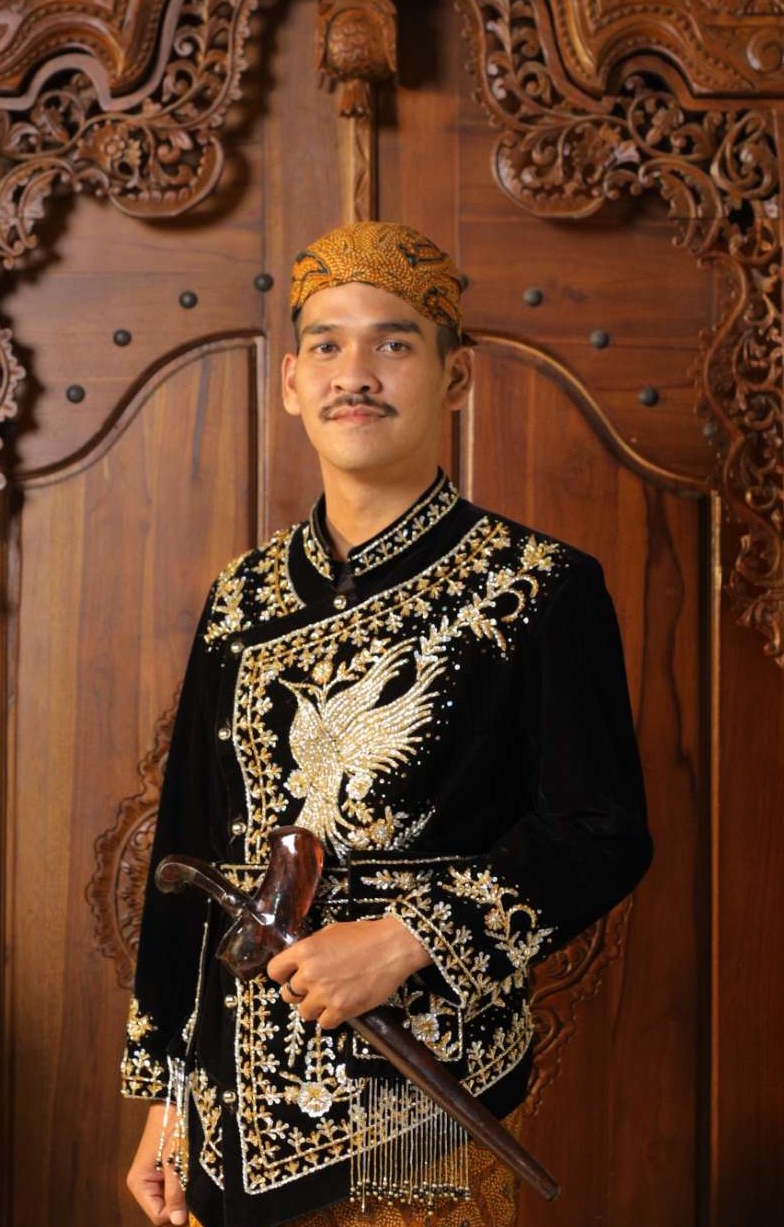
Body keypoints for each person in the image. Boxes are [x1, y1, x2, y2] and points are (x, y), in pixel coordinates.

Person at [123, 221, 652, 1227]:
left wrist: (411, 938)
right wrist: (166, 1098)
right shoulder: (241, 598)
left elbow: (600, 833)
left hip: (421, 1106)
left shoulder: (538, 586)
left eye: (393, 342)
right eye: (327, 344)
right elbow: (188, 851)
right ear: (292, 382)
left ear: (455, 378)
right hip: (230, 1111)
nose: (354, 373)